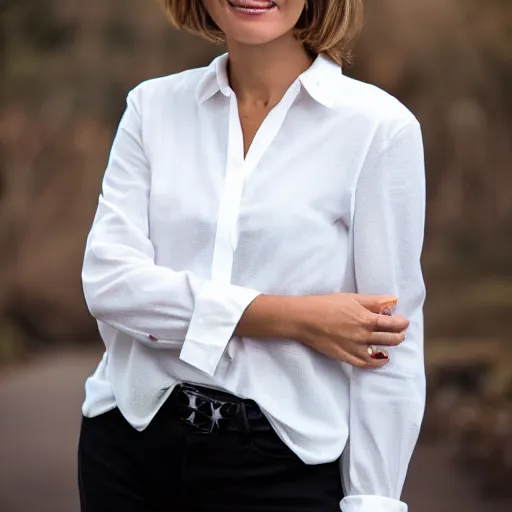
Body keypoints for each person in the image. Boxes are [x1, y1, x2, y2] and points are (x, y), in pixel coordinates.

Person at [78, 1, 427, 511]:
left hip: (283, 466)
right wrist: (293, 318)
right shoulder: (151, 108)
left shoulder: (378, 128)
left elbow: (390, 342)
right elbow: (110, 285)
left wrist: (373, 501)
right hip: (129, 449)